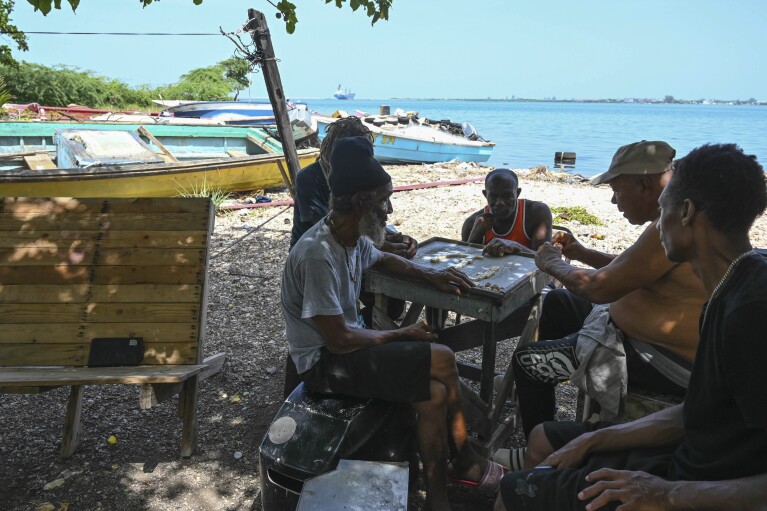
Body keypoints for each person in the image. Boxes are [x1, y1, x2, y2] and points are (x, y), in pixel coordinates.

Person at [494, 142, 767, 511]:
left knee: (513, 494)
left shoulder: (750, 313)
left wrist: (666, 494)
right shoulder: (730, 285)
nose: (659, 219)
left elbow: (601, 285)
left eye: (664, 205)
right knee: (544, 442)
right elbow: (698, 412)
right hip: (684, 457)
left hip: (694, 486)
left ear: (685, 212)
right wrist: (595, 440)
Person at [282, 136, 504, 510]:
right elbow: (337, 340)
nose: (389, 209)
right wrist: (405, 333)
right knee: (443, 357)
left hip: (344, 350)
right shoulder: (317, 254)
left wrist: (429, 275)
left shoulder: (348, 236)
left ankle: (437, 498)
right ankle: (465, 457)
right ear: (360, 203)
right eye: (383, 200)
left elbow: (383, 259)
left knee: (433, 395)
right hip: (325, 363)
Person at [507, 141, 708, 447]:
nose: (614, 201)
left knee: (526, 361)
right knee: (559, 302)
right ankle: (555, 418)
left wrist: (552, 263)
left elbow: (599, 287)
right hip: (641, 333)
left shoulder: (671, 225)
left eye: (617, 190)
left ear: (644, 184)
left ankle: (542, 449)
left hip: (663, 358)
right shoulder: (672, 215)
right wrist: (583, 253)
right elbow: (632, 268)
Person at [284, 116, 417, 397]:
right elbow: (325, 224)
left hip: (346, 247)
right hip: (321, 261)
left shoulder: (360, 186)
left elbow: (364, 224)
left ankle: (370, 331)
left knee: (382, 303)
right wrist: (402, 334)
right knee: (319, 320)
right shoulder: (313, 180)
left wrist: (389, 237)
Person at [461, 168, 552, 256]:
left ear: (517, 193)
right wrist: (473, 238)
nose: (500, 202)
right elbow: (464, 262)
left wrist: (516, 246)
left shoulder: (536, 213)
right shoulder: (472, 223)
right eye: (493, 196)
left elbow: (546, 259)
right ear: (485, 195)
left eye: (507, 196)